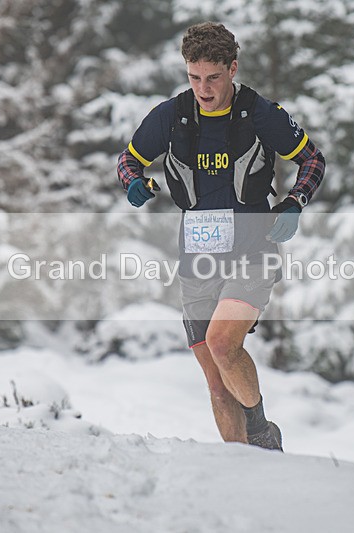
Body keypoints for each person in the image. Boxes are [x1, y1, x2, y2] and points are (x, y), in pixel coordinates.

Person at [117, 22, 325, 451]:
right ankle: (241, 467)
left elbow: (312, 160)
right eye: (194, 77)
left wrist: (295, 202)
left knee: (222, 344)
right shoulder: (171, 116)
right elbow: (128, 160)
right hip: (196, 259)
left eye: (213, 77)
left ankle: (261, 428)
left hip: (253, 249)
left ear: (232, 69)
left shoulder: (260, 113)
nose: (204, 89)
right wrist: (132, 182)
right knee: (215, 382)